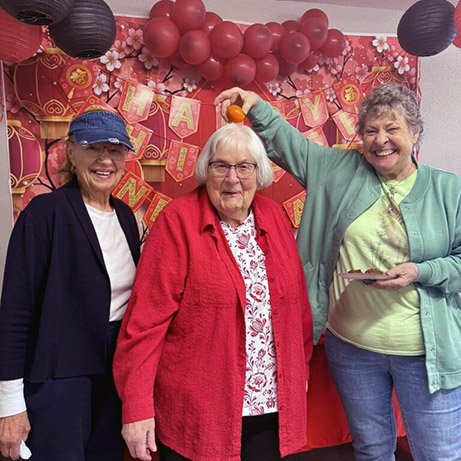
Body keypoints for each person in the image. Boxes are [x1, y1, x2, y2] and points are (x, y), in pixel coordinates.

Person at [214, 83, 461, 461]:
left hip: (426, 351)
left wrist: (421, 271)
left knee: (438, 453)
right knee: (372, 450)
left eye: (392, 129)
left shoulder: (448, 189)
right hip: (353, 349)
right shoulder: (336, 169)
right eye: (370, 131)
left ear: (415, 132)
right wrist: (256, 106)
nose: (381, 141)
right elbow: (288, 143)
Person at [113, 123, 313, 461]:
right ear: (206, 171)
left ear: (259, 173)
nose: (232, 178)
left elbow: (297, 309)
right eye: (220, 165)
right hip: (198, 411)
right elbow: (144, 323)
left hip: (270, 405)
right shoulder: (178, 221)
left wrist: (300, 370)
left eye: (243, 167)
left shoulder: (274, 217)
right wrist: (136, 407)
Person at [0, 110, 140, 461]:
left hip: (114, 374)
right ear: (71, 152)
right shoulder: (44, 214)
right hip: (58, 378)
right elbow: (15, 315)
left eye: (116, 149)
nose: (105, 159)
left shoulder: (125, 216)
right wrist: (10, 404)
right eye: (94, 147)